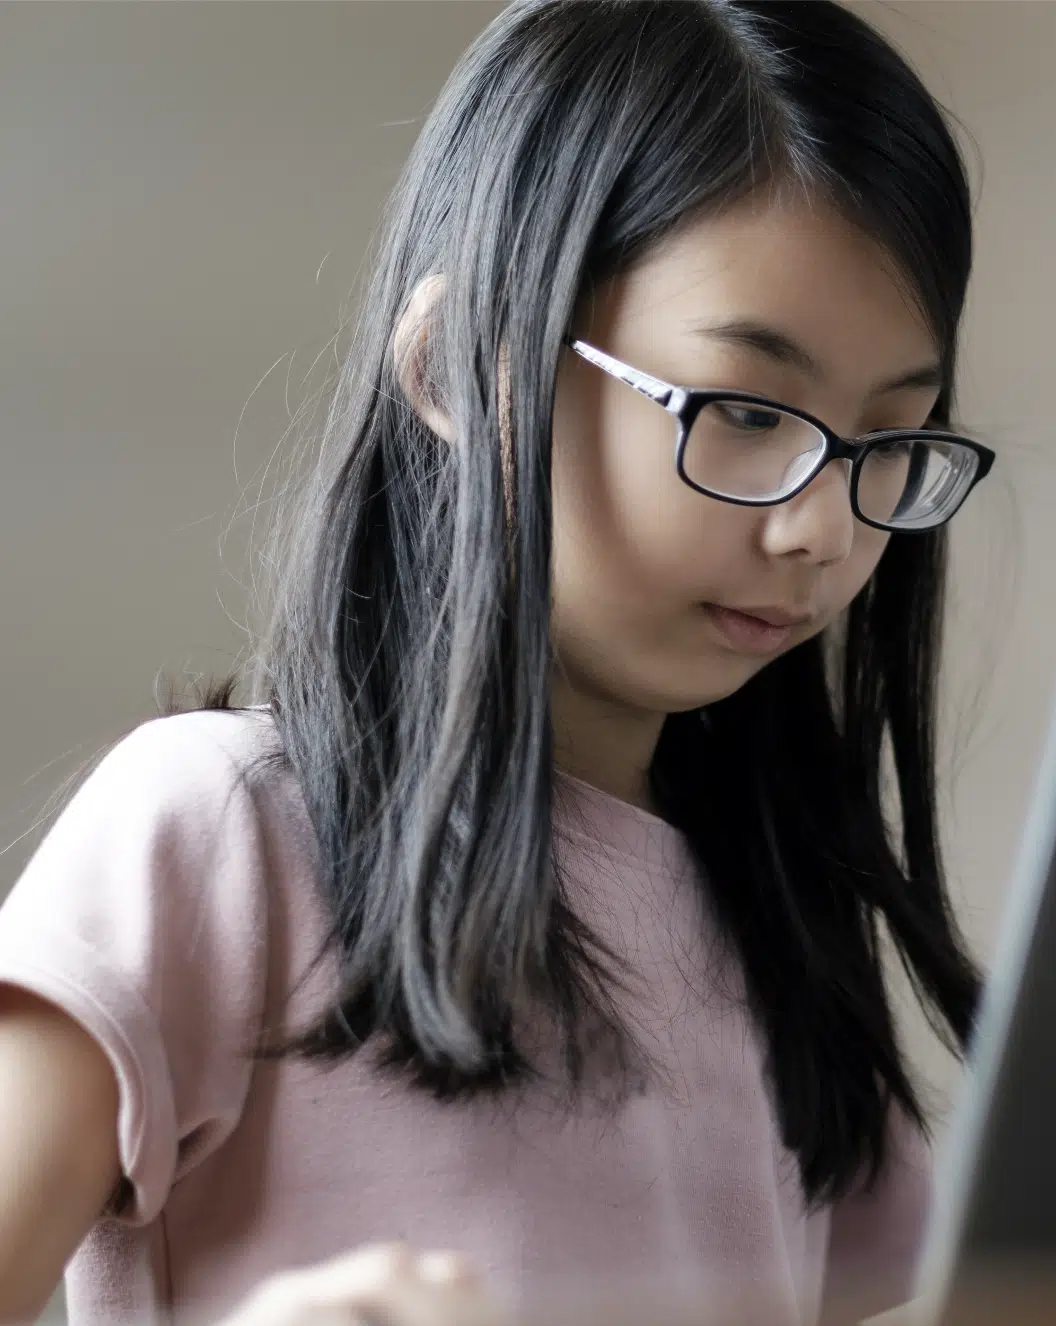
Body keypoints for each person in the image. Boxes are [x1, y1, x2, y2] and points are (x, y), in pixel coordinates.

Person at [0, 1, 994, 1322]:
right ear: (455, 366)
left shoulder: (778, 920)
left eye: (887, 440)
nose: (819, 528)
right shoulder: (217, 831)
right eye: (746, 413)